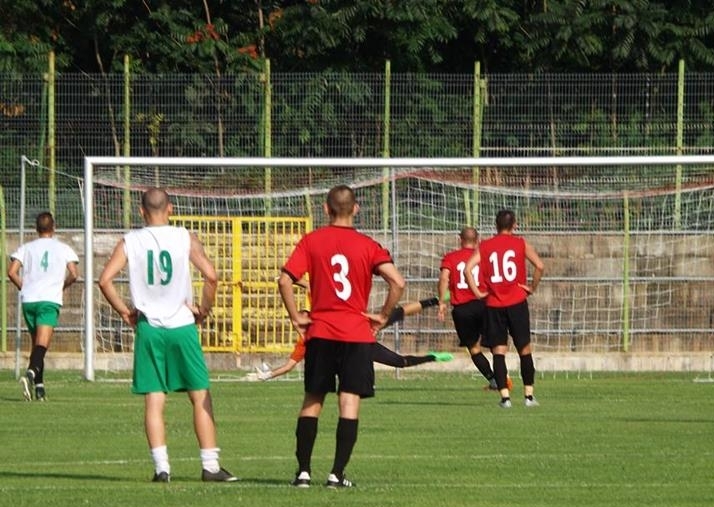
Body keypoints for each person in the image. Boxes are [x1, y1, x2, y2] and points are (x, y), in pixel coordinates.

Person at [98, 187, 238, 483]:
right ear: (170, 209)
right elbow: (211, 275)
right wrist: (204, 309)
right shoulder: (184, 237)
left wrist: (126, 311)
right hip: (182, 325)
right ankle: (210, 466)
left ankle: (162, 468)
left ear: (141, 211)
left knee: (154, 398)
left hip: (149, 327)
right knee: (199, 395)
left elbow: (105, 280)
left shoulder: (130, 241)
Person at [278, 184, 405, 488]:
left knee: (313, 399)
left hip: (321, 332)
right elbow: (397, 282)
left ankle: (304, 472)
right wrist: (384, 315)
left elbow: (285, 280)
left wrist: (296, 317)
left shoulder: (312, 241)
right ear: (356, 209)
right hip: (356, 334)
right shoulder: (368, 245)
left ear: (326, 208)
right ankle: (336, 474)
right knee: (349, 401)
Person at [464, 210, 545, 409]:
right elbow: (540, 266)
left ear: (496, 225)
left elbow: (468, 269)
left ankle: (505, 398)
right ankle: (528, 396)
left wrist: (477, 292)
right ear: (514, 225)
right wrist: (532, 288)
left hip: (494, 304)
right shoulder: (520, 243)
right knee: (524, 350)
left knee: (498, 352)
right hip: (517, 302)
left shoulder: (485, 246)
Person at [255, 301, 451, 380]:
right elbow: (289, 366)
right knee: (400, 362)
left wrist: (293, 281)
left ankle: (437, 299)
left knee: (397, 313)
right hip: (362, 344)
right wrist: (267, 376)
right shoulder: (305, 341)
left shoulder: (322, 319)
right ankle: (433, 357)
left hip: (364, 328)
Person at [8, 211, 79, 401]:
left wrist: (24, 287)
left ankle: (39, 389)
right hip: (48, 300)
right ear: (53, 228)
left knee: (36, 345)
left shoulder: (27, 247)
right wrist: (62, 286)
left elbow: (12, 272)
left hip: (29, 301)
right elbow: (74, 273)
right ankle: (30, 374)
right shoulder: (63, 248)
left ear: (36, 229)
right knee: (42, 345)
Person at [438, 226, 510, 391]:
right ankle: (503, 380)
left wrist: (442, 301)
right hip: (485, 304)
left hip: (462, 309)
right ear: (478, 240)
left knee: (474, 347)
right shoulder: (483, 255)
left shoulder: (451, 258)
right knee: (495, 346)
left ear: (460, 239)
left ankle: (493, 380)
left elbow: (444, 279)